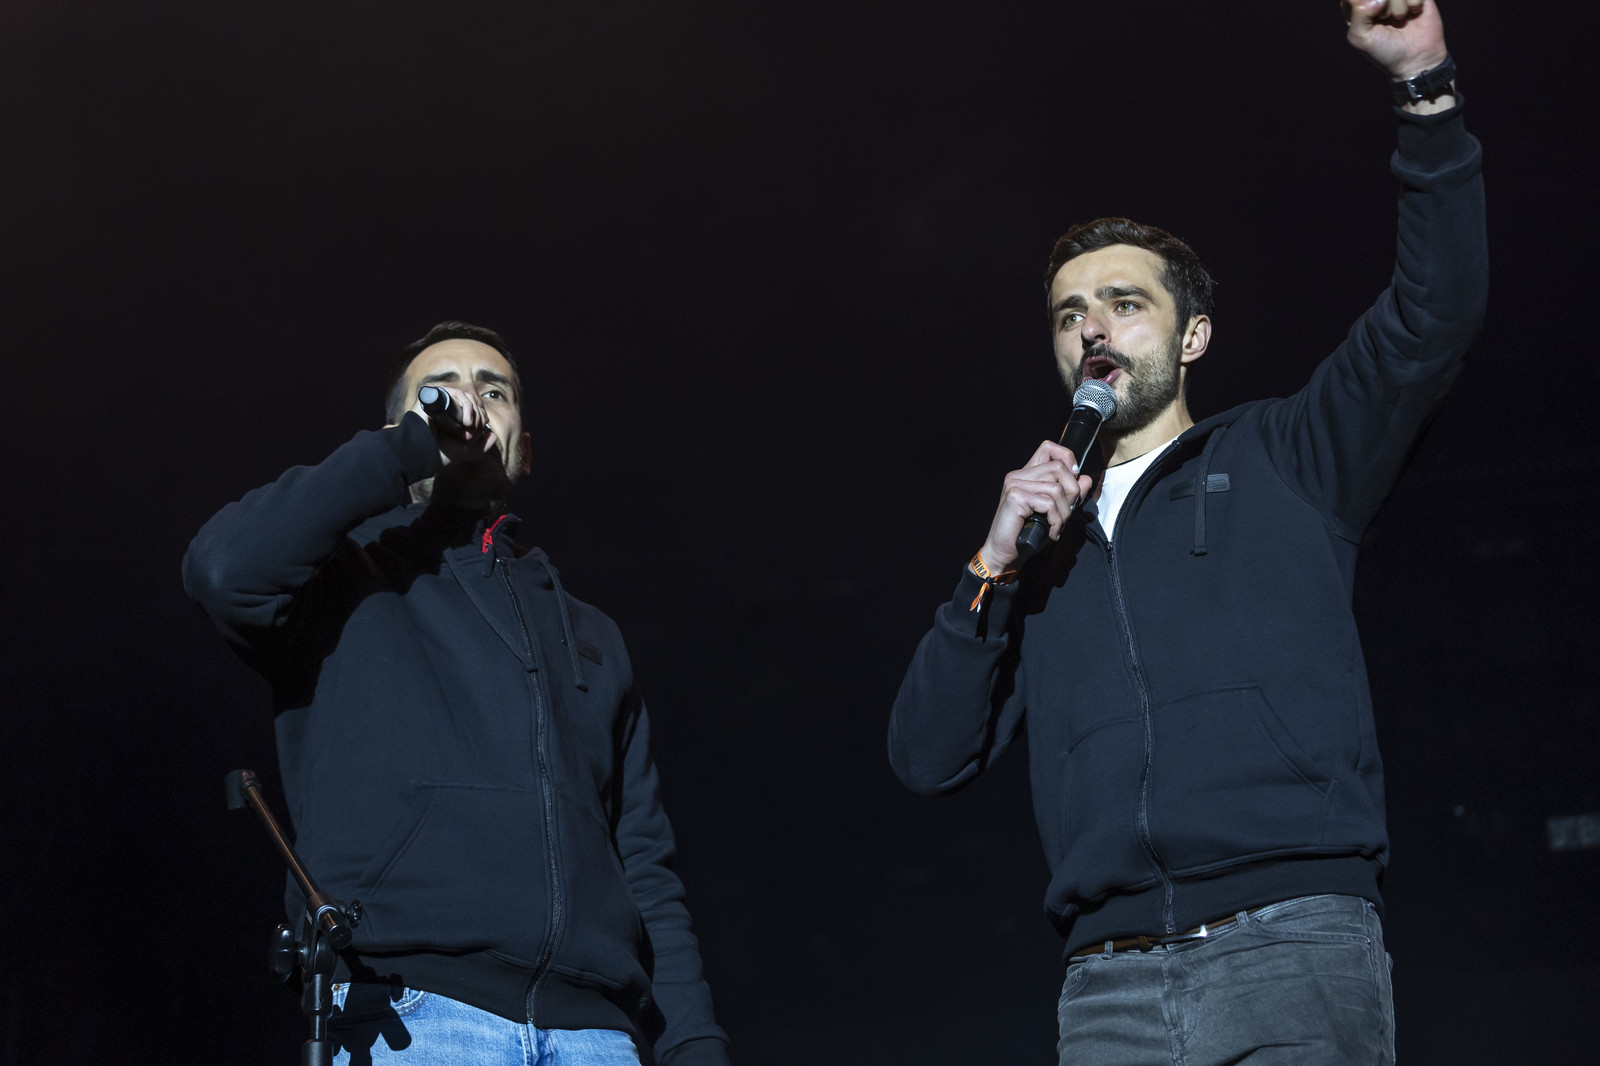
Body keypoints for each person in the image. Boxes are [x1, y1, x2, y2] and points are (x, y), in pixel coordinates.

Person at [887, 2, 1483, 1062]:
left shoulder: (1288, 456)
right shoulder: (1038, 546)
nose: (1093, 326)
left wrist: (1423, 86)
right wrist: (990, 567)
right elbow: (925, 757)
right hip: (1107, 983)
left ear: (1192, 334)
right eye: (1071, 313)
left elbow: (1430, 315)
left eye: (1125, 303)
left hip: (1293, 943)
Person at [184, 322, 730, 1066]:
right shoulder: (340, 580)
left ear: (524, 449)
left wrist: (692, 1042)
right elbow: (222, 570)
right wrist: (409, 448)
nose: (469, 400)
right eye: (441, 388)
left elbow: (643, 862)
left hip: (598, 1039)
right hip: (412, 1017)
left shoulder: (592, 634)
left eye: (493, 390)